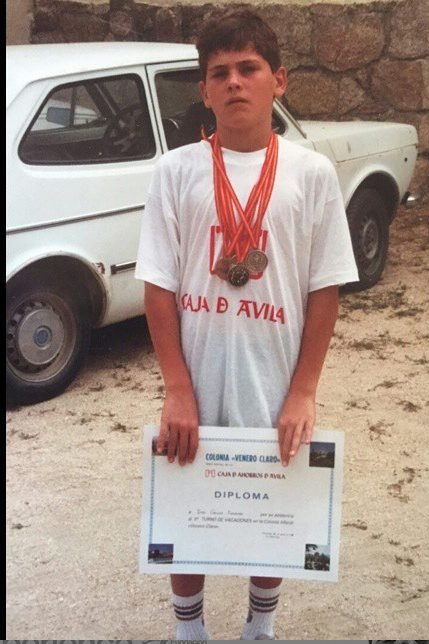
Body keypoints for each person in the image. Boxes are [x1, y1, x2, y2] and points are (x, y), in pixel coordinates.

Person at [135, 7, 359, 640]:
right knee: (189, 488)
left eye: (249, 69)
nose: (234, 82)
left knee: (274, 495)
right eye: (219, 72)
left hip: (275, 369)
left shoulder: (311, 174)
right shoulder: (174, 173)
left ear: (278, 81)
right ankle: (189, 628)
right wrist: (176, 385)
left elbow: (324, 288)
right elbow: (159, 285)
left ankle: (261, 624)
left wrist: (304, 389)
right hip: (199, 372)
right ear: (203, 90)